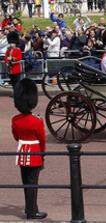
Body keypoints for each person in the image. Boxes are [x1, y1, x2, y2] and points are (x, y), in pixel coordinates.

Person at [12, 78, 47, 220]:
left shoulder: (15, 119)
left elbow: (16, 136)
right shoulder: (37, 120)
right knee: (32, 183)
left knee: (26, 183)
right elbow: (42, 140)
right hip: (34, 153)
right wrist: (42, 155)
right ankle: (32, 212)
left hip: (21, 152)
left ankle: (29, 208)